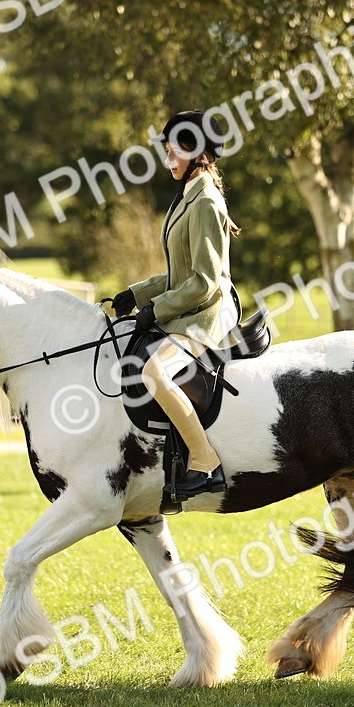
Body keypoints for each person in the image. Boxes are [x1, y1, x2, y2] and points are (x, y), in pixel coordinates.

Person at [110, 110, 241, 499]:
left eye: (173, 153)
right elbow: (176, 276)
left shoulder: (205, 202)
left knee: (154, 372)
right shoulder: (187, 194)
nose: (168, 162)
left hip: (208, 311)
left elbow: (204, 280)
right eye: (165, 153)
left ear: (196, 152)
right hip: (189, 304)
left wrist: (158, 309)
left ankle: (204, 461)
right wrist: (135, 294)